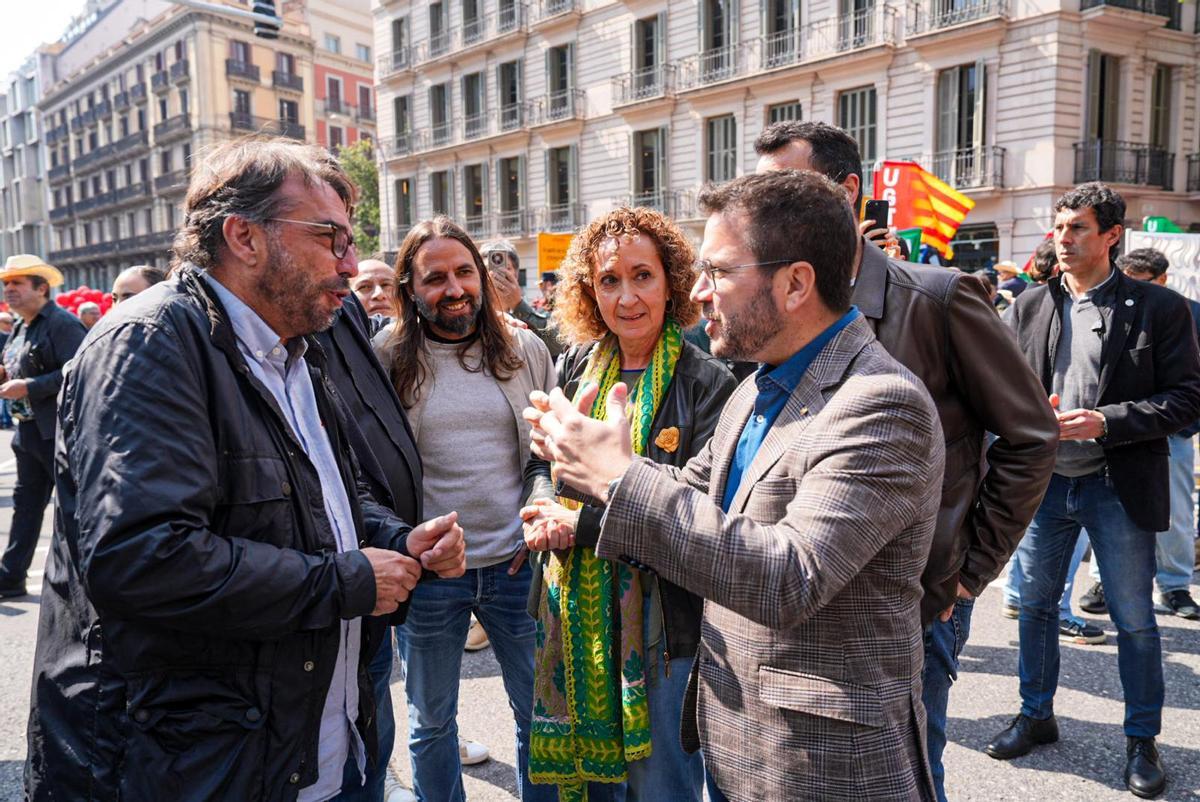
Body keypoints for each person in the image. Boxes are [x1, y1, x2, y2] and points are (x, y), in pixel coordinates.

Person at [24, 137, 467, 802]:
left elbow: (326, 500)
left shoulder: (298, 351)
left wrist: (397, 539)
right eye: (330, 238)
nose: (351, 264)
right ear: (244, 237)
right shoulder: (147, 344)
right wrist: (343, 581)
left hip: (304, 748)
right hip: (193, 768)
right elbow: (142, 558)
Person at [528, 170, 944, 800]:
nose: (697, 290)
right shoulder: (755, 385)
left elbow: (789, 577)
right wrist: (576, 470)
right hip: (734, 731)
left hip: (823, 763)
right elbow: (689, 493)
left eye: (718, 272)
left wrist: (616, 476)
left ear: (796, 283)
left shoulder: (879, 404)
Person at [753, 120, 1059, 802]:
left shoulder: (938, 298)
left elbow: (1031, 435)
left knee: (910, 774)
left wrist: (969, 571)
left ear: (848, 193)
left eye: (788, 189)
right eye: (763, 194)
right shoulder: (774, 301)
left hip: (917, 604)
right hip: (804, 603)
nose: (771, 212)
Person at [988, 183, 1200, 799]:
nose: (1063, 237)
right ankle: (1036, 714)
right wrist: (1026, 415)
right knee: (1034, 608)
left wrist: (1109, 421)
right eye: (1059, 226)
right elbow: (999, 387)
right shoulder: (1027, 305)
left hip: (1118, 484)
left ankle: (1141, 740)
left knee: (1134, 620)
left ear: (1112, 237)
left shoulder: (1161, 309)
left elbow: (1187, 397)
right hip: (1044, 484)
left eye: (1078, 227)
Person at [519, 207, 736, 801]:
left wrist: (582, 523)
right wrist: (541, 506)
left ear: (672, 281)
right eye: (609, 280)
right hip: (572, 608)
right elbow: (542, 463)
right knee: (589, 786)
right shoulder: (573, 365)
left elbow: (694, 502)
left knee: (659, 783)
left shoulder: (707, 382)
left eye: (643, 276)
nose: (627, 296)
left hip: (663, 619)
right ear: (590, 291)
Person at [374, 216, 557, 802]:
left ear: (481, 275)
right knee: (431, 724)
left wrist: (538, 506)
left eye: (464, 272)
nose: (453, 288)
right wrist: (408, 545)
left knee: (539, 719)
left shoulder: (523, 346)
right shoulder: (385, 356)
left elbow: (546, 452)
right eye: (435, 278)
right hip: (430, 577)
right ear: (410, 288)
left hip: (514, 566)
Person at [1110, 247, 1199, 620]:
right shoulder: (1111, 305)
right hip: (1121, 429)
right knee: (1113, 510)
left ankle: (1174, 585)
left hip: (1172, 430)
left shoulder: (1190, 311)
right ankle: (1104, 580)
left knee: (1177, 511)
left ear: (1162, 279)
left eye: (1141, 282)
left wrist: (1186, 423)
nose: (1132, 287)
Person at [0, 255, 86, 599]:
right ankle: (11, 577)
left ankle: (88, 585)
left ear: (42, 288)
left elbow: (77, 370)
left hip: (58, 433)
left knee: (73, 509)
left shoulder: (62, 324)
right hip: (29, 431)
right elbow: (18, 365)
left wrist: (29, 386)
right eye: (7, 284)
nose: (9, 290)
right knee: (27, 505)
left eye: (17, 284)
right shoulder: (22, 326)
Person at [482, 239, 563, 360]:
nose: (497, 275)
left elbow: (557, 345)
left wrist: (517, 304)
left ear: (516, 273)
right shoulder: (473, 316)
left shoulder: (533, 313)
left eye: (506, 268)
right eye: (489, 269)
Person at [0, 311, 13, 429]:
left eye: (11, 322)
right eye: (6, 322)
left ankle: (6, 420)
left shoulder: (13, 334)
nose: (10, 325)